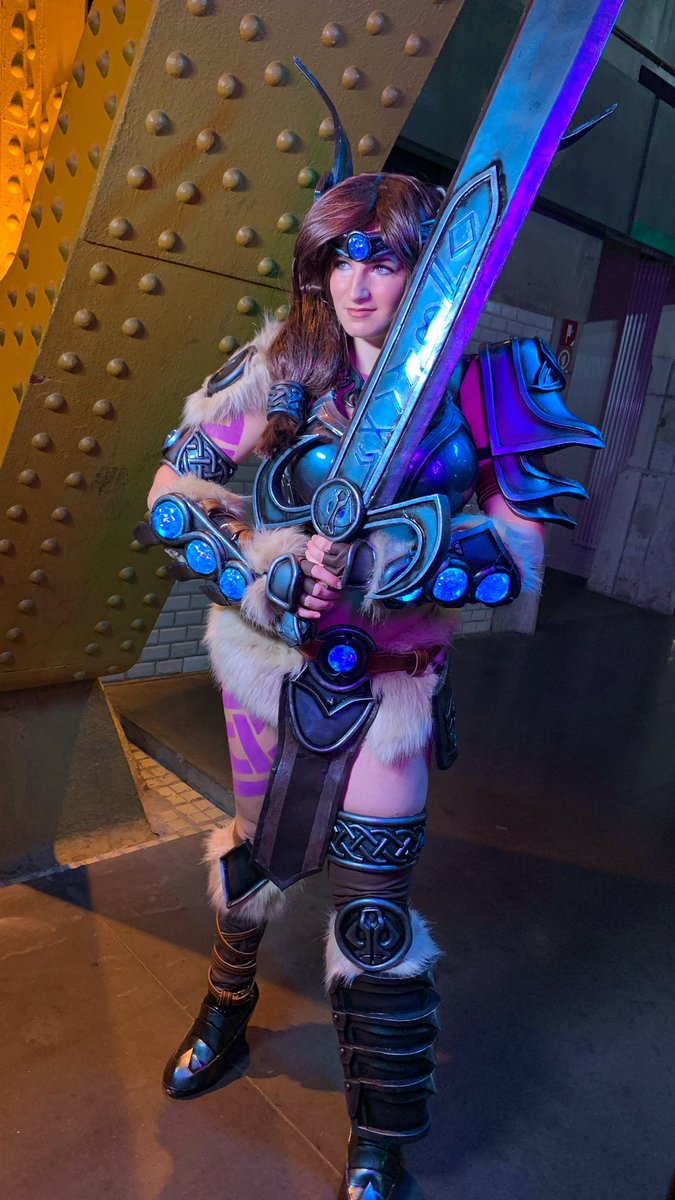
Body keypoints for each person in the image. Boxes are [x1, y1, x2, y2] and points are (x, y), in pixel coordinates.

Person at [144, 170, 602, 1200]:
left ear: (425, 268)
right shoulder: (278, 366)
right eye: (340, 258)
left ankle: (379, 1135)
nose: (357, 284)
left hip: (393, 684)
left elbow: (517, 555)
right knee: (254, 863)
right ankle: (225, 1011)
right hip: (272, 671)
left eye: (384, 259)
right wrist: (265, 572)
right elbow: (173, 497)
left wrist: (387, 564)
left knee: (374, 910)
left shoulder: (484, 389)